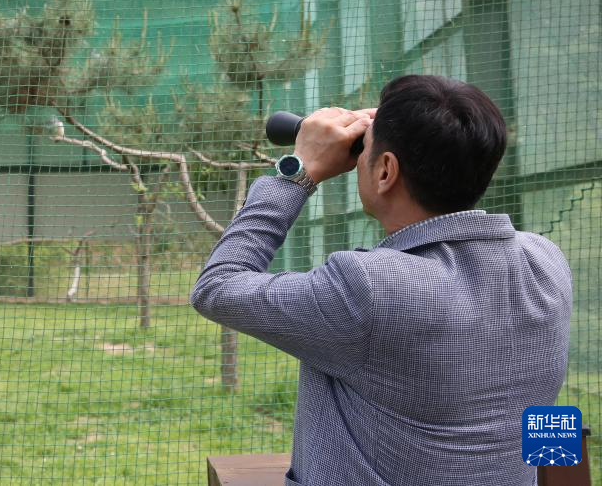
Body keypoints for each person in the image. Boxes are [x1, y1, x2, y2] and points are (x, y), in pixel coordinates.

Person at [191, 75, 572, 486]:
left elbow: (218, 286)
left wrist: (298, 171)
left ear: (386, 170)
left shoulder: (369, 289)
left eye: (364, 149)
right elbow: (546, 435)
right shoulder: (545, 262)